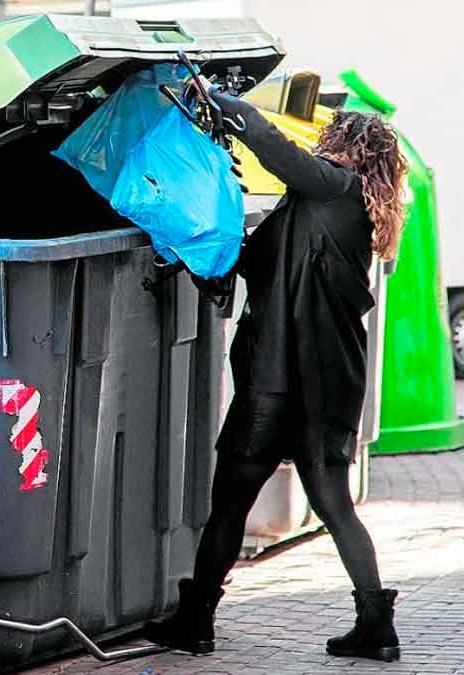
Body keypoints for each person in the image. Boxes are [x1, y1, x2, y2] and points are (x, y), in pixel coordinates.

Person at [142, 83, 408, 663]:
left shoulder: (334, 189)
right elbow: (249, 261)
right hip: (330, 382)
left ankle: (196, 621)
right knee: (335, 504)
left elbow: (280, 153)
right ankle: (375, 625)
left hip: (277, 380)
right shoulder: (326, 211)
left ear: (347, 150)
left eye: (331, 139)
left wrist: (234, 111)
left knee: (231, 501)